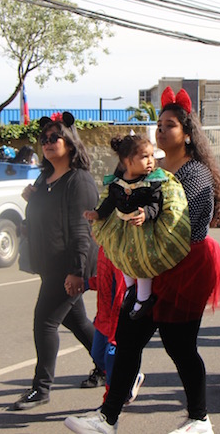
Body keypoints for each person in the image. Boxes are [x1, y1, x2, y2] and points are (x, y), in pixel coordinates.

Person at [64, 87, 220, 434]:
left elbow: (183, 223)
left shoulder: (195, 173)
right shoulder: (150, 167)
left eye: (170, 125)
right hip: (147, 265)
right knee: (128, 340)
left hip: (185, 266)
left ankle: (199, 419)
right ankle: (107, 417)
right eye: (159, 124)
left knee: (180, 347)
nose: (161, 130)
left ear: (187, 133)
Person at [13, 111, 100, 410]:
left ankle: (41, 389)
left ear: (70, 143)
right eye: (44, 139)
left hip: (68, 264)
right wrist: (32, 199)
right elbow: (45, 216)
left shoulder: (79, 181)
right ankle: (111, 367)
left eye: (55, 138)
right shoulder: (45, 178)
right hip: (49, 263)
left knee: (45, 322)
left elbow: (81, 230)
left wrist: (76, 271)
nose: (48, 143)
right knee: (77, 321)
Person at [84, 134, 190, 321]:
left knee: (141, 263)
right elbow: (110, 203)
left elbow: (155, 205)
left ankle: (143, 299)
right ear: (127, 161)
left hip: (142, 230)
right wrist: (97, 214)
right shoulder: (117, 182)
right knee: (122, 257)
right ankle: (130, 289)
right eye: (144, 156)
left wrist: (145, 215)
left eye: (151, 156)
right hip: (121, 228)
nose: (151, 161)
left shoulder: (152, 182)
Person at [88, 247, 145, 405]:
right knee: (98, 355)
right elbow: (103, 280)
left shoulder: (123, 249)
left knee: (111, 360)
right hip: (103, 317)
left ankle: (110, 404)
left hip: (119, 319)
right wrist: (86, 284)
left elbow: (126, 288)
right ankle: (130, 378)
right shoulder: (103, 249)